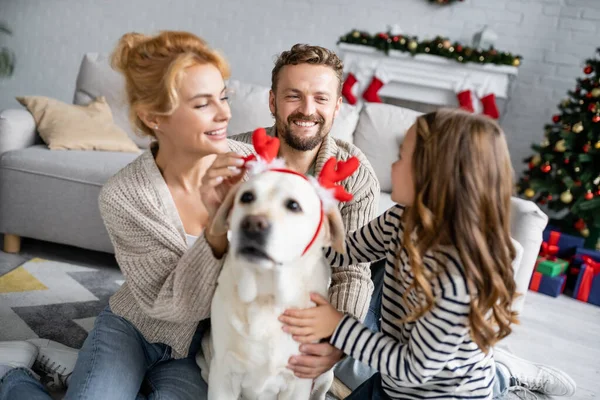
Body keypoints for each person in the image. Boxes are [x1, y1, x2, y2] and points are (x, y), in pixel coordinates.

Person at [0, 30, 253, 400]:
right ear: (154, 117)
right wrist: (217, 230)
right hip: (134, 327)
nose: (224, 113)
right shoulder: (124, 195)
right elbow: (168, 304)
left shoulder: (251, 170)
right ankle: (17, 375)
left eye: (224, 97)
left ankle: (74, 368)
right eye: (203, 104)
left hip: (204, 348)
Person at [277, 109, 577, 399]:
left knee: (474, 377)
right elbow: (344, 253)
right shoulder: (400, 220)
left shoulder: (458, 276)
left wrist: (337, 325)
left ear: (434, 175)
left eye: (401, 157)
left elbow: (413, 367)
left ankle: (507, 378)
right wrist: (287, 238)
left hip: (443, 393)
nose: (392, 167)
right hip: (393, 383)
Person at [227, 43, 381, 382]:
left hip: (322, 292)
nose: (307, 110)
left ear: (338, 106)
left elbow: (351, 271)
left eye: (321, 99)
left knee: (362, 371)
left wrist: (335, 343)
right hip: (253, 294)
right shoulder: (238, 156)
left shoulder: (354, 174)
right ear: (272, 101)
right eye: (293, 96)